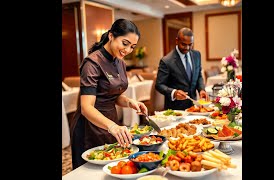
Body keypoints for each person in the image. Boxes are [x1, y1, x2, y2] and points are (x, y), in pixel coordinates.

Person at [69, 19, 148, 169]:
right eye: (125, 43)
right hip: (89, 127)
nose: (128, 50)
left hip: (110, 123)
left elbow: (112, 95)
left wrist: (130, 102)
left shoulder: (120, 62)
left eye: (132, 47)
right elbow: (86, 107)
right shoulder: (92, 63)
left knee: (111, 169)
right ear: (111, 36)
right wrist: (112, 126)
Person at [155, 27, 208, 110]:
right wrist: (174, 93)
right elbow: (159, 85)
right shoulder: (166, 61)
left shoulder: (197, 55)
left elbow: (198, 76)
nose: (187, 48)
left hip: (194, 107)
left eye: (190, 44)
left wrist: (202, 89)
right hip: (176, 109)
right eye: (183, 44)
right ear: (177, 41)